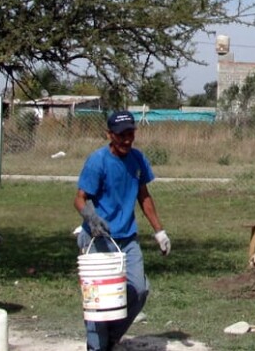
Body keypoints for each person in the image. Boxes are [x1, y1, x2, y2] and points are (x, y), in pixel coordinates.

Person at [74, 110, 171, 351]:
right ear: (109, 135)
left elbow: (144, 196)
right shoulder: (98, 161)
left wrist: (160, 231)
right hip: (98, 239)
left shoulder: (137, 159)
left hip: (127, 240)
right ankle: (96, 346)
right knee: (98, 299)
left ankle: (112, 337)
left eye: (131, 134)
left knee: (139, 290)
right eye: (121, 135)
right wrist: (90, 216)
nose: (127, 140)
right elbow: (80, 198)